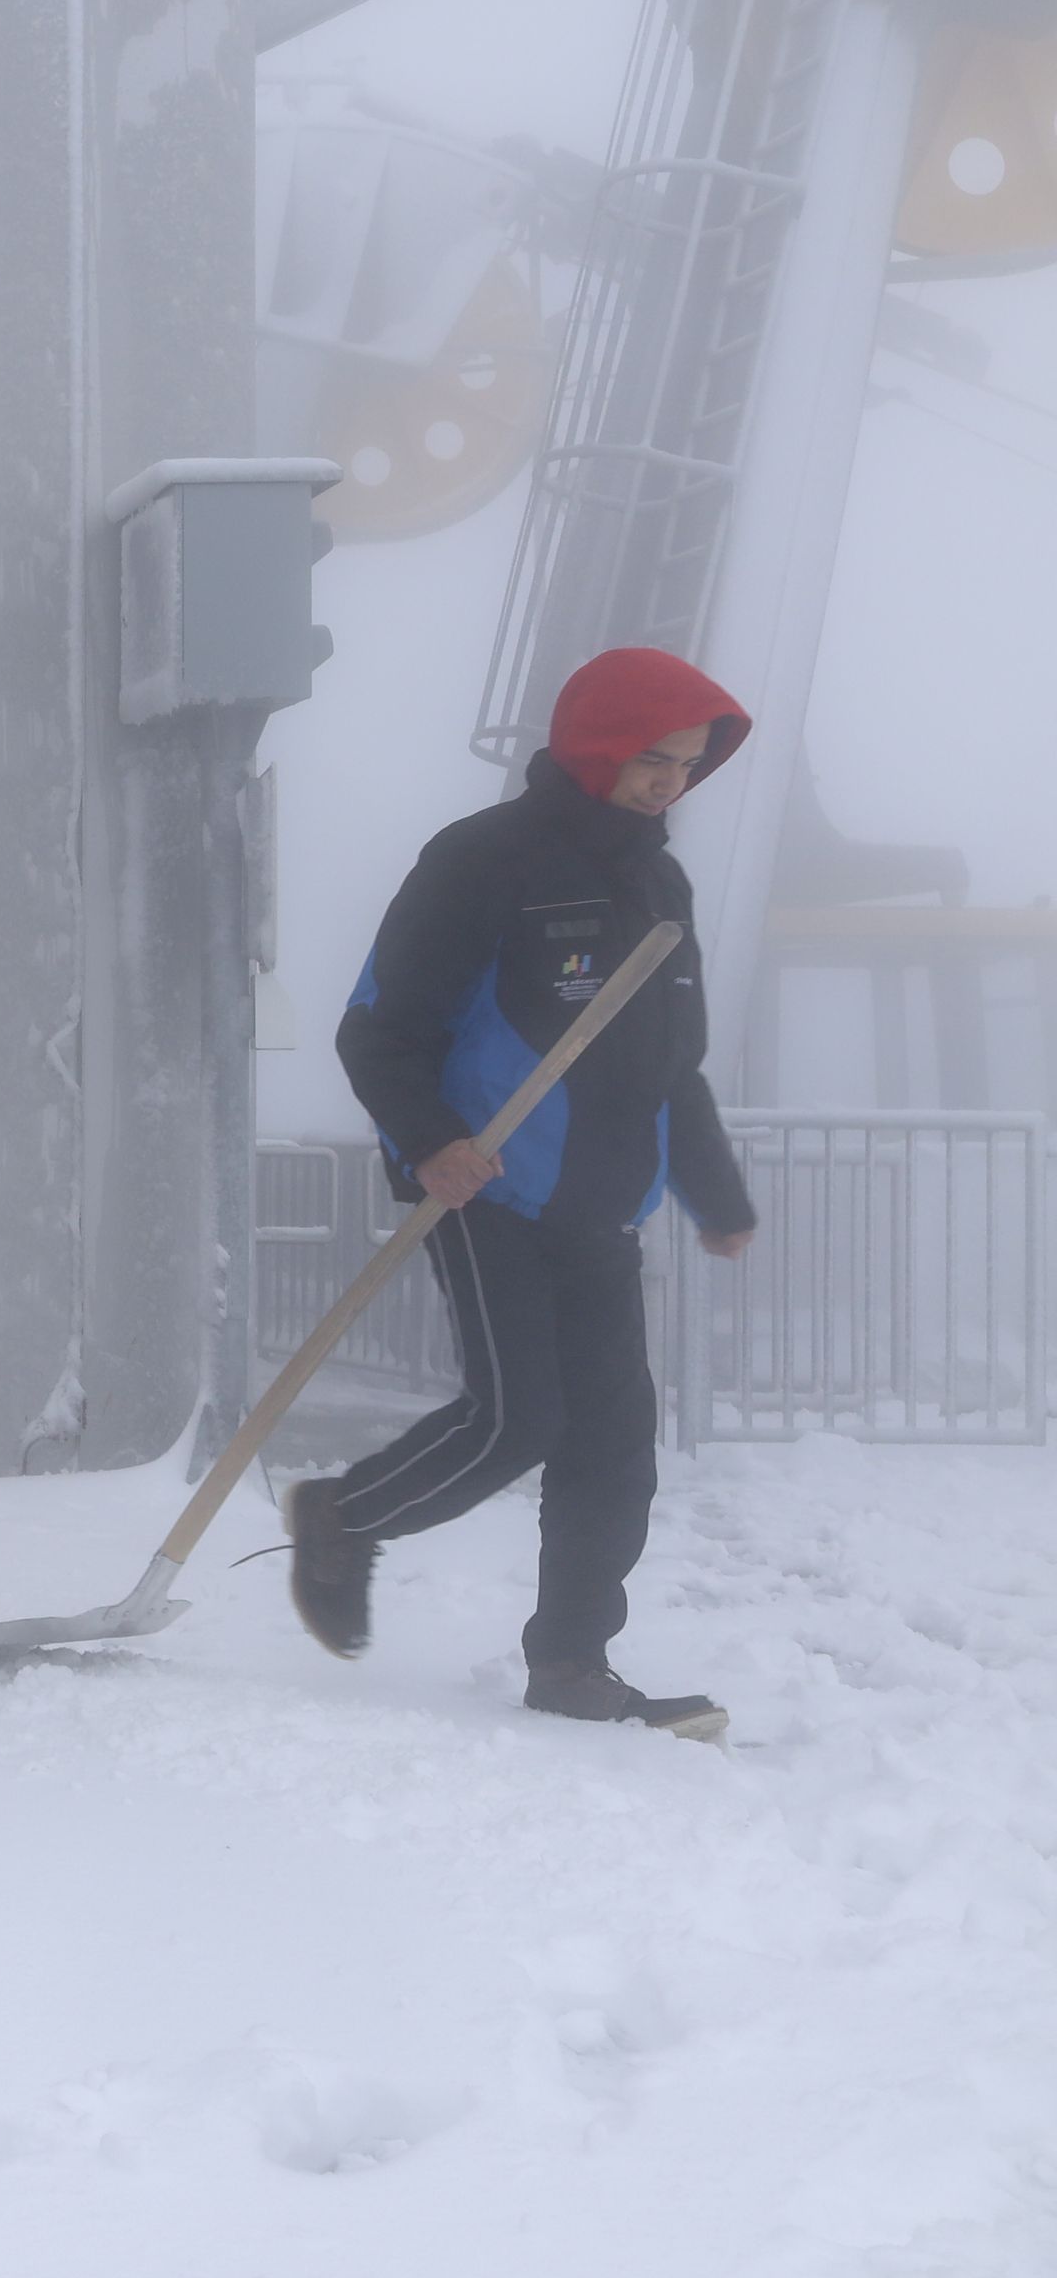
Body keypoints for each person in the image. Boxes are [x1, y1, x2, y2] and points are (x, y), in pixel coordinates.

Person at [286, 645, 760, 1735]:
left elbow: (670, 1066)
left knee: (613, 1443)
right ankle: (344, 1518)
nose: (669, 783)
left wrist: (716, 1195)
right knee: (516, 1419)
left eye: (687, 764)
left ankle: (572, 1664)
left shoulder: (659, 883)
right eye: (652, 758)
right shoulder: (481, 860)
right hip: (485, 1186)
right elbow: (377, 1030)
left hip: (601, 1204)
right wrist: (432, 1142)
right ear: (598, 744)